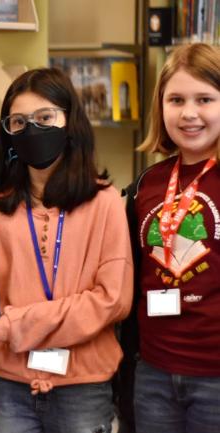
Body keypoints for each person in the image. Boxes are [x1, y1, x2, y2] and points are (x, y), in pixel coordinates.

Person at [0, 67, 133, 433]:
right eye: (18, 122)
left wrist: (18, 324)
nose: (31, 129)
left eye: (45, 117)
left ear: (70, 121)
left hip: (82, 387)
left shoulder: (105, 202)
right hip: (8, 385)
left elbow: (112, 300)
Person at [121, 43, 220, 433]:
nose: (189, 113)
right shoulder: (148, 182)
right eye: (176, 99)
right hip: (154, 372)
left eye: (205, 99)